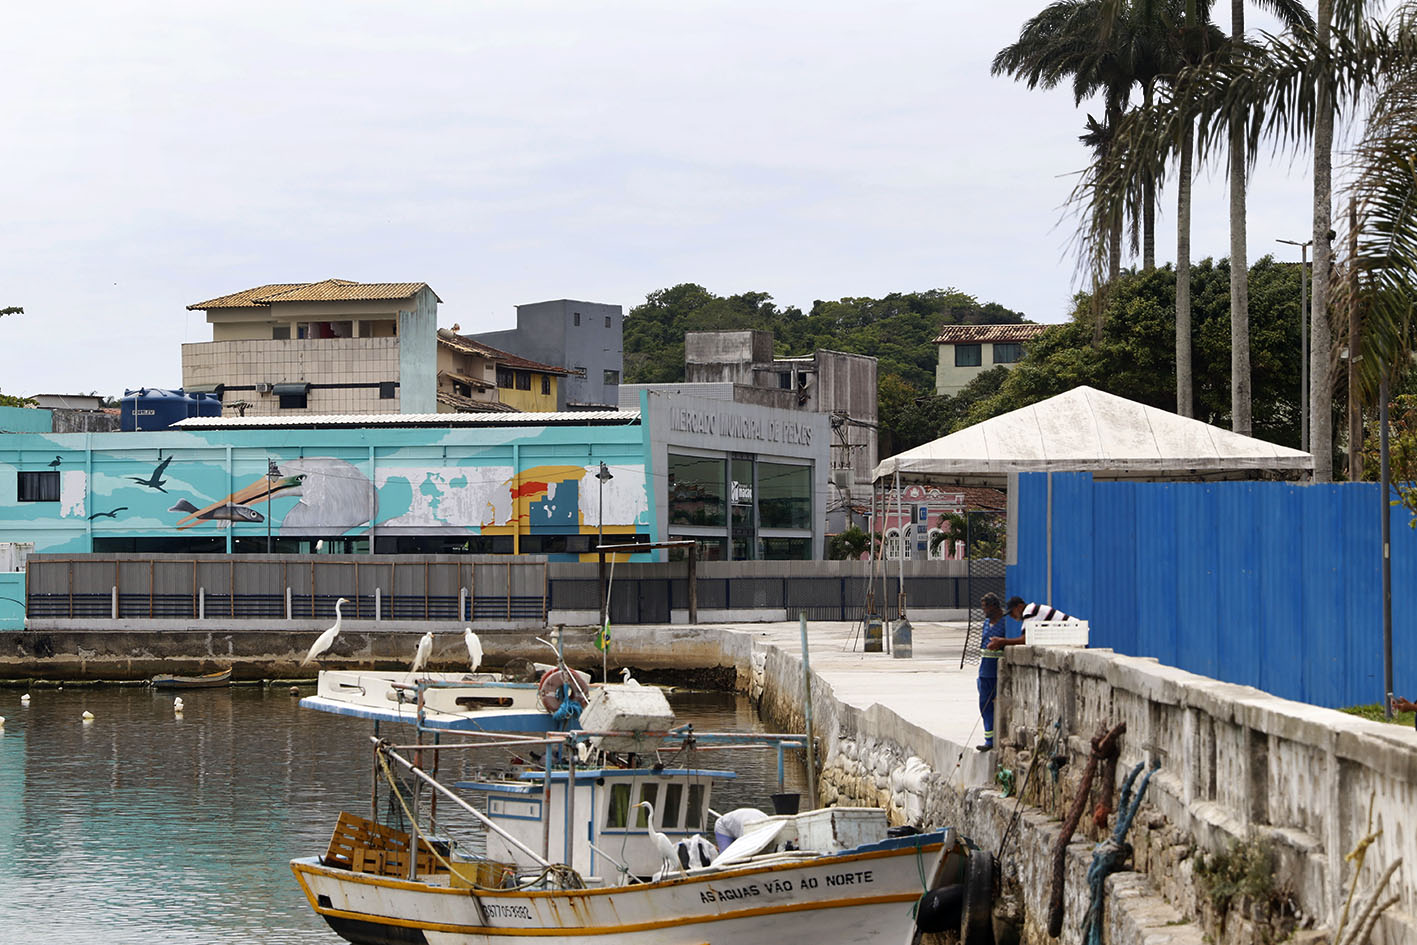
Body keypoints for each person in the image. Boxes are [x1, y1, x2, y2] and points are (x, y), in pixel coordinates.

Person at [977, 592, 1027, 752]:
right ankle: (989, 739)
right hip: (984, 672)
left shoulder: (1005, 624)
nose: (984, 611)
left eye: (986, 607)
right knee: (984, 706)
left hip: (997, 672)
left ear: (994, 607)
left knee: (1002, 706)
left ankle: (998, 738)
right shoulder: (986, 624)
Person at [1004, 596, 1071, 624]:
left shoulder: (1030, 611)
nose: (1011, 616)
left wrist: (1003, 641)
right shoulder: (1031, 610)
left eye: (1012, 612)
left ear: (1019, 607)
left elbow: (1025, 639)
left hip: (1075, 630)